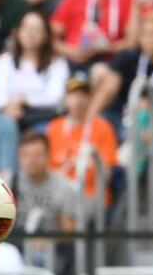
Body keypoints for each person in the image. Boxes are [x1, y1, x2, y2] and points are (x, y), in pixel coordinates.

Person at [46, 73, 118, 207]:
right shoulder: (54, 127)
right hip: (60, 192)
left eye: (83, 94)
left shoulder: (103, 127)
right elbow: (47, 170)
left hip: (91, 194)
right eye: (74, 94)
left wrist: (92, 158)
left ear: (90, 98)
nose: (78, 100)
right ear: (66, 98)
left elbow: (107, 174)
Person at [0, 9, 68, 126]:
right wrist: (11, 105)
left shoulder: (57, 63)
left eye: (36, 29)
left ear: (46, 35)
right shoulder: (5, 60)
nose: (30, 33)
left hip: (42, 117)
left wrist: (24, 100)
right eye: (26, 28)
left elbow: (55, 97)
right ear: (18, 32)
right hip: (8, 113)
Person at [7, 131, 77, 234]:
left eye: (37, 155)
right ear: (19, 158)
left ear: (48, 156)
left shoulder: (64, 187)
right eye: (25, 155)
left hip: (54, 245)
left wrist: (46, 242)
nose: (31, 160)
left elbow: (69, 231)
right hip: (17, 242)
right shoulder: (10, 183)